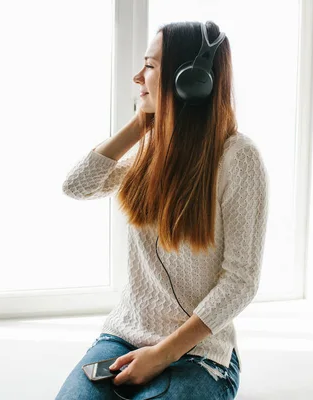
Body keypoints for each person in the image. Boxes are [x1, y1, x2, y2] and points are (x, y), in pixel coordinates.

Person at [57, 20, 269, 400]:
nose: (138, 76)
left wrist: (162, 354)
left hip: (200, 353)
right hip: (125, 335)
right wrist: (142, 122)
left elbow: (241, 281)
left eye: (151, 67)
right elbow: (77, 186)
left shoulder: (239, 159)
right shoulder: (150, 150)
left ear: (190, 79)